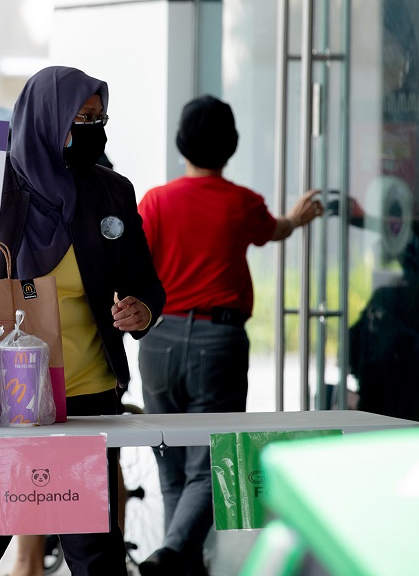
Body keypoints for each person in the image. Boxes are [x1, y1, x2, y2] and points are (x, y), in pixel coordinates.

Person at [0, 65, 165, 575]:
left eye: (99, 117)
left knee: (94, 555)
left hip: (85, 396)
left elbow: (146, 282)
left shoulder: (111, 191)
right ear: (46, 118)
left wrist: (142, 310)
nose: (93, 128)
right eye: (80, 118)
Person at [135, 95, 322, 576]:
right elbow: (274, 230)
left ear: (182, 144)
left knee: (171, 461)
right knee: (209, 465)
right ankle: (174, 554)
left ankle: (179, 560)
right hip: (217, 344)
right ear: (231, 146)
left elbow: (135, 263)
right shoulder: (241, 202)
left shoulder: (155, 201)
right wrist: (297, 220)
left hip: (157, 341)